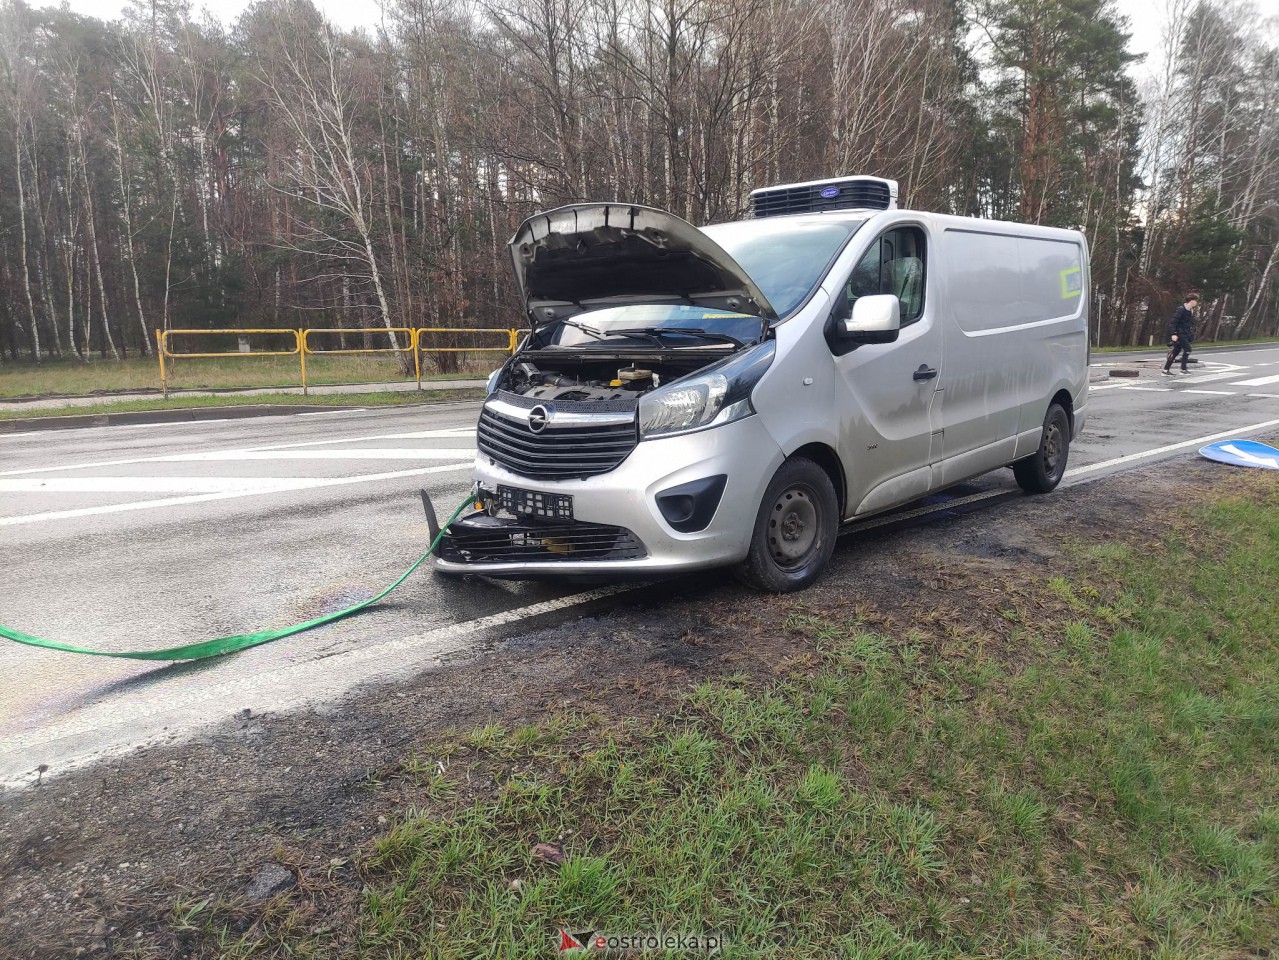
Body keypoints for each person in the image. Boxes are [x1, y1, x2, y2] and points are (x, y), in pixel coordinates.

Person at [1162, 293, 1199, 375]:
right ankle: (1183, 369)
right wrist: (1174, 334)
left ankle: (1165, 370)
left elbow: (1188, 323)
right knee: (1188, 349)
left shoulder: (1190, 310)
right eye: (1195, 300)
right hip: (1179, 333)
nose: (1196, 302)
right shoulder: (1181, 309)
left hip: (1184, 333)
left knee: (1176, 351)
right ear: (1191, 301)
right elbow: (1173, 322)